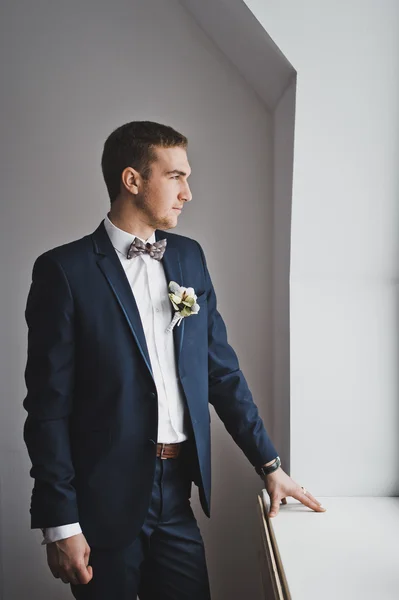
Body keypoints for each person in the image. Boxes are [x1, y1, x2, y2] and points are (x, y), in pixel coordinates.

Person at [23, 121, 326, 599]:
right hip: (101, 500)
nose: (187, 192)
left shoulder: (189, 258)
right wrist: (60, 523)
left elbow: (221, 372)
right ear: (133, 180)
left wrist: (270, 465)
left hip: (178, 492)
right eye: (176, 176)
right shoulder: (64, 271)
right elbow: (47, 408)